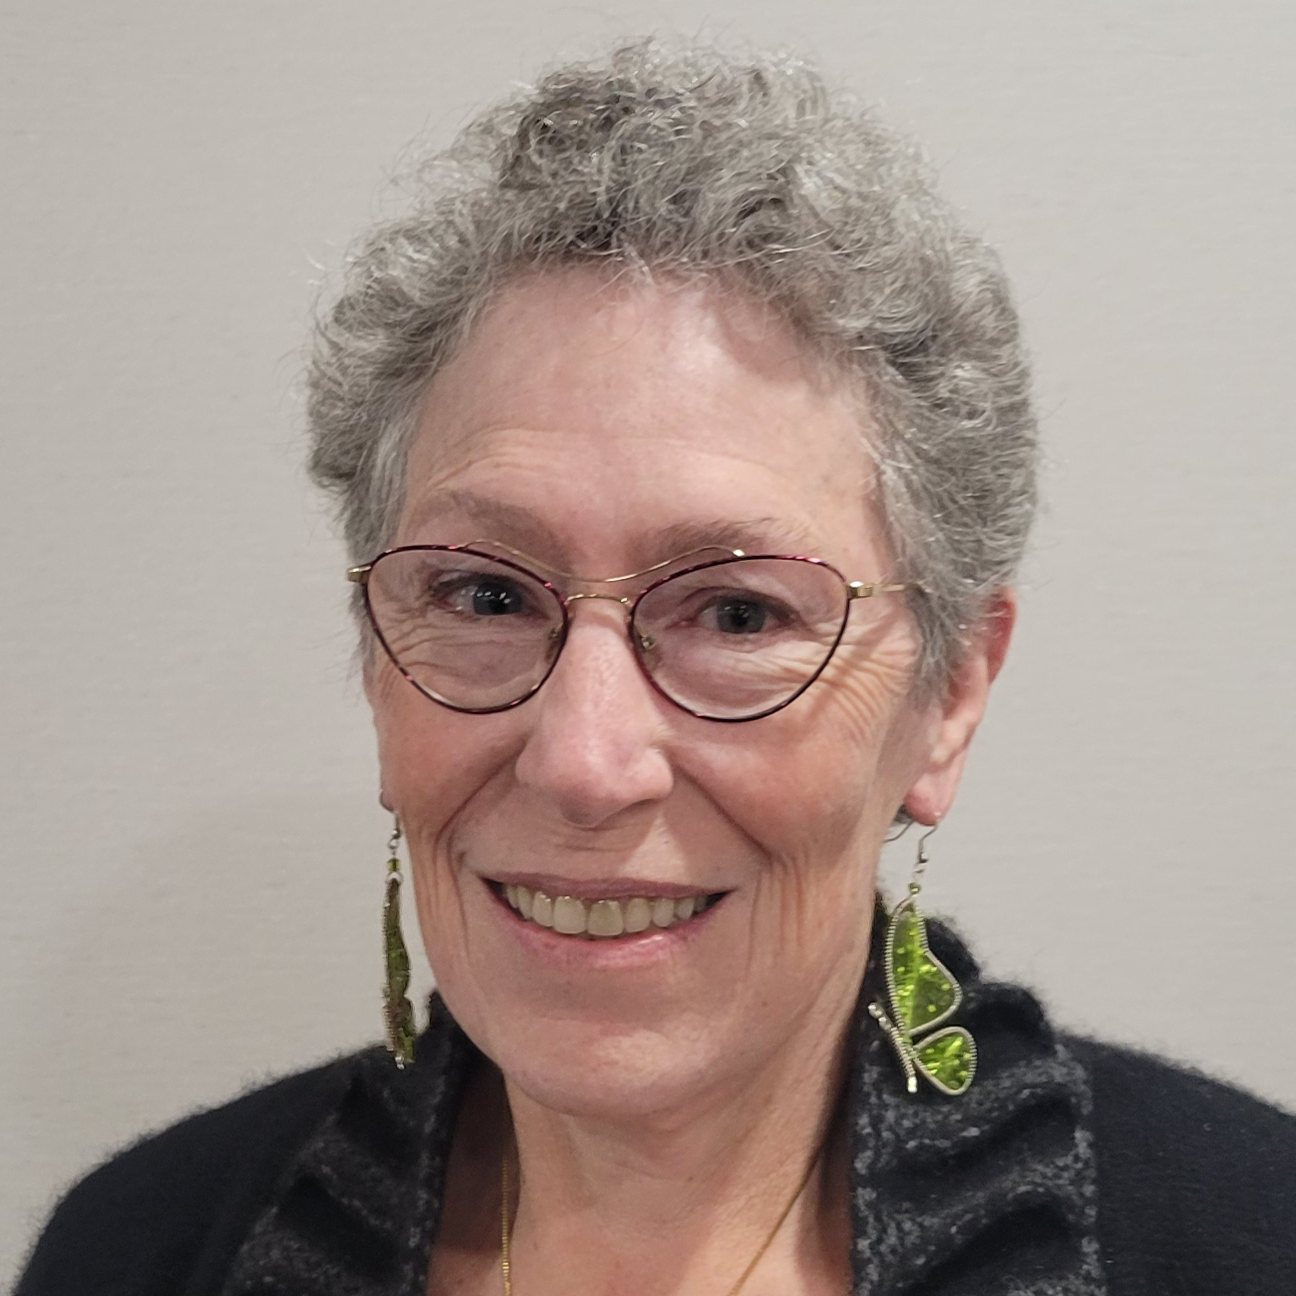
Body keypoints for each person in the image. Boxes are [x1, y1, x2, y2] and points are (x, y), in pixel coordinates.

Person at [16, 38, 1296, 1296]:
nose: (584, 762)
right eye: (485, 594)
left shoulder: (1248, 1243)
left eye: (736, 613)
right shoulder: (141, 1250)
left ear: (949, 693)